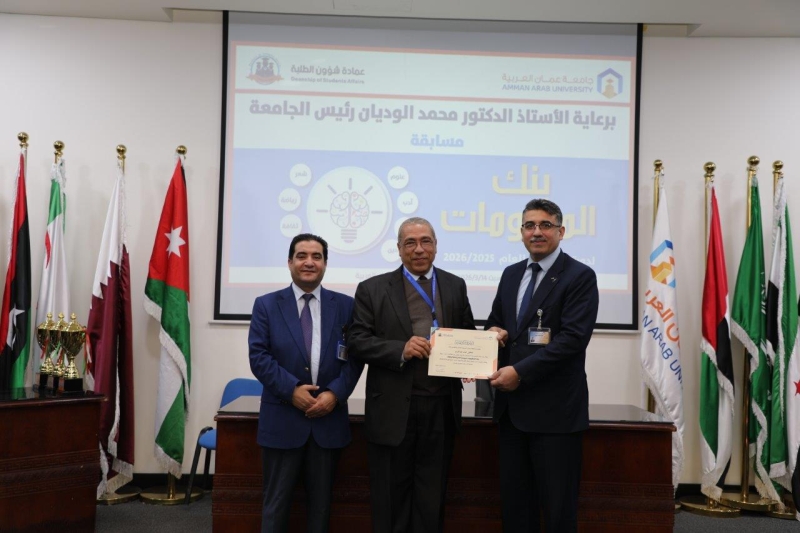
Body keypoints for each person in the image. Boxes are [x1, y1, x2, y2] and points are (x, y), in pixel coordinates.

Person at [347, 217, 476, 533]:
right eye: (410, 243)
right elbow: (357, 341)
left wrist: (476, 356)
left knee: (432, 496)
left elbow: (467, 333)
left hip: (441, 408)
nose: (419, 249)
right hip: (393, 410)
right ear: (399, 248)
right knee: (392, 497)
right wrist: (400, 350)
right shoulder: (373, 288)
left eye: (425, 241)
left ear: (435, 246)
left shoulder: (455, 285)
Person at [484, 198, 599, 533]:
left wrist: (519, 373)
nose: (537, 232)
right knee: (516, 509)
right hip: (511, 414)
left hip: (555, 416)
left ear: (561, 232)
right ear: (521, 232)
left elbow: (572, 340)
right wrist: (494, 333)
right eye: (529, 225)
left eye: (545, 225)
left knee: (558, 510)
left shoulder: (579, 276)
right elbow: (496, 321)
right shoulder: (511, 274)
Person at [249, 233, 363, 533]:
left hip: (328, 421)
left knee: (321, 508)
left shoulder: (346, 306)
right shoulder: (266, 304)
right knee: (275, 507)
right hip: (282, 420)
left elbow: (355, 358)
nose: (309, 262)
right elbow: (259, 357)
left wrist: (335, 394)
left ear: (325, 263)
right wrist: (292, 391)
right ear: (290, 262)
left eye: (316, 256)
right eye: (301, 256)